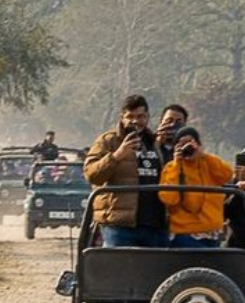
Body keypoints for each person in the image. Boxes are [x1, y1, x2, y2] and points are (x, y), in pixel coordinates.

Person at [84, 94, 169, 247]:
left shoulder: (155, 142)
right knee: (118, 270)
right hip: (119, 226)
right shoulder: (108, 141)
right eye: (130, 116)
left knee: (157, 270)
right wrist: (117, 155)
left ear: (148, 117)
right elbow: (92, 175)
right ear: (122, 117)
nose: (136, 121)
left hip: (155, 225)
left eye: (141, 116)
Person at [158, 126, 235, 248]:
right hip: (184, 234)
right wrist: (177, 164)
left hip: (212, 233)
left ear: (198, 144)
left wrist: (203, 155)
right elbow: (169, 198)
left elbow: (227, 175)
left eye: (189, 143)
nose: (186, 147)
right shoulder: (171, 168)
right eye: (181, 144)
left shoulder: (208, 163)